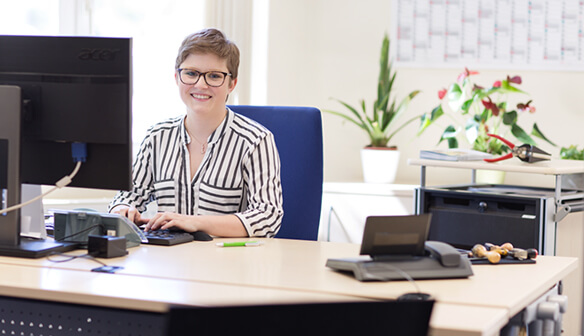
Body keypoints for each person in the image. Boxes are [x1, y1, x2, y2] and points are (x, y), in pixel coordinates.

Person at [109, 28, 283, 238]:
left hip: (228, 263)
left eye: (214, 76)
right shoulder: (157, 137)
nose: (201, 84)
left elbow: (267, 217)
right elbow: (128, 197)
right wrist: (122, 210)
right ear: (176, 77)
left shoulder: (255, 141)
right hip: (169, 261)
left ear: (232, 84)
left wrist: (194, 222)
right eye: (191, 73)